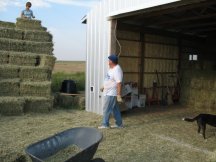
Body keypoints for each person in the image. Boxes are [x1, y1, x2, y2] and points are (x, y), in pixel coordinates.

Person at [98, 54, 124, 129]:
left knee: (106, 109)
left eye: (109, 60)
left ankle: (105, 124)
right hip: (108, 92)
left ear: (112, 61)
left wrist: (118, 95)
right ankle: (119, 124)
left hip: (111, 93)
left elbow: (119, 82)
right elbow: (109, 79)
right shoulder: (111, 69)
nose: (108, 62)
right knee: (115, 109)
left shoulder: (117, 69)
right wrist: (104, 86)